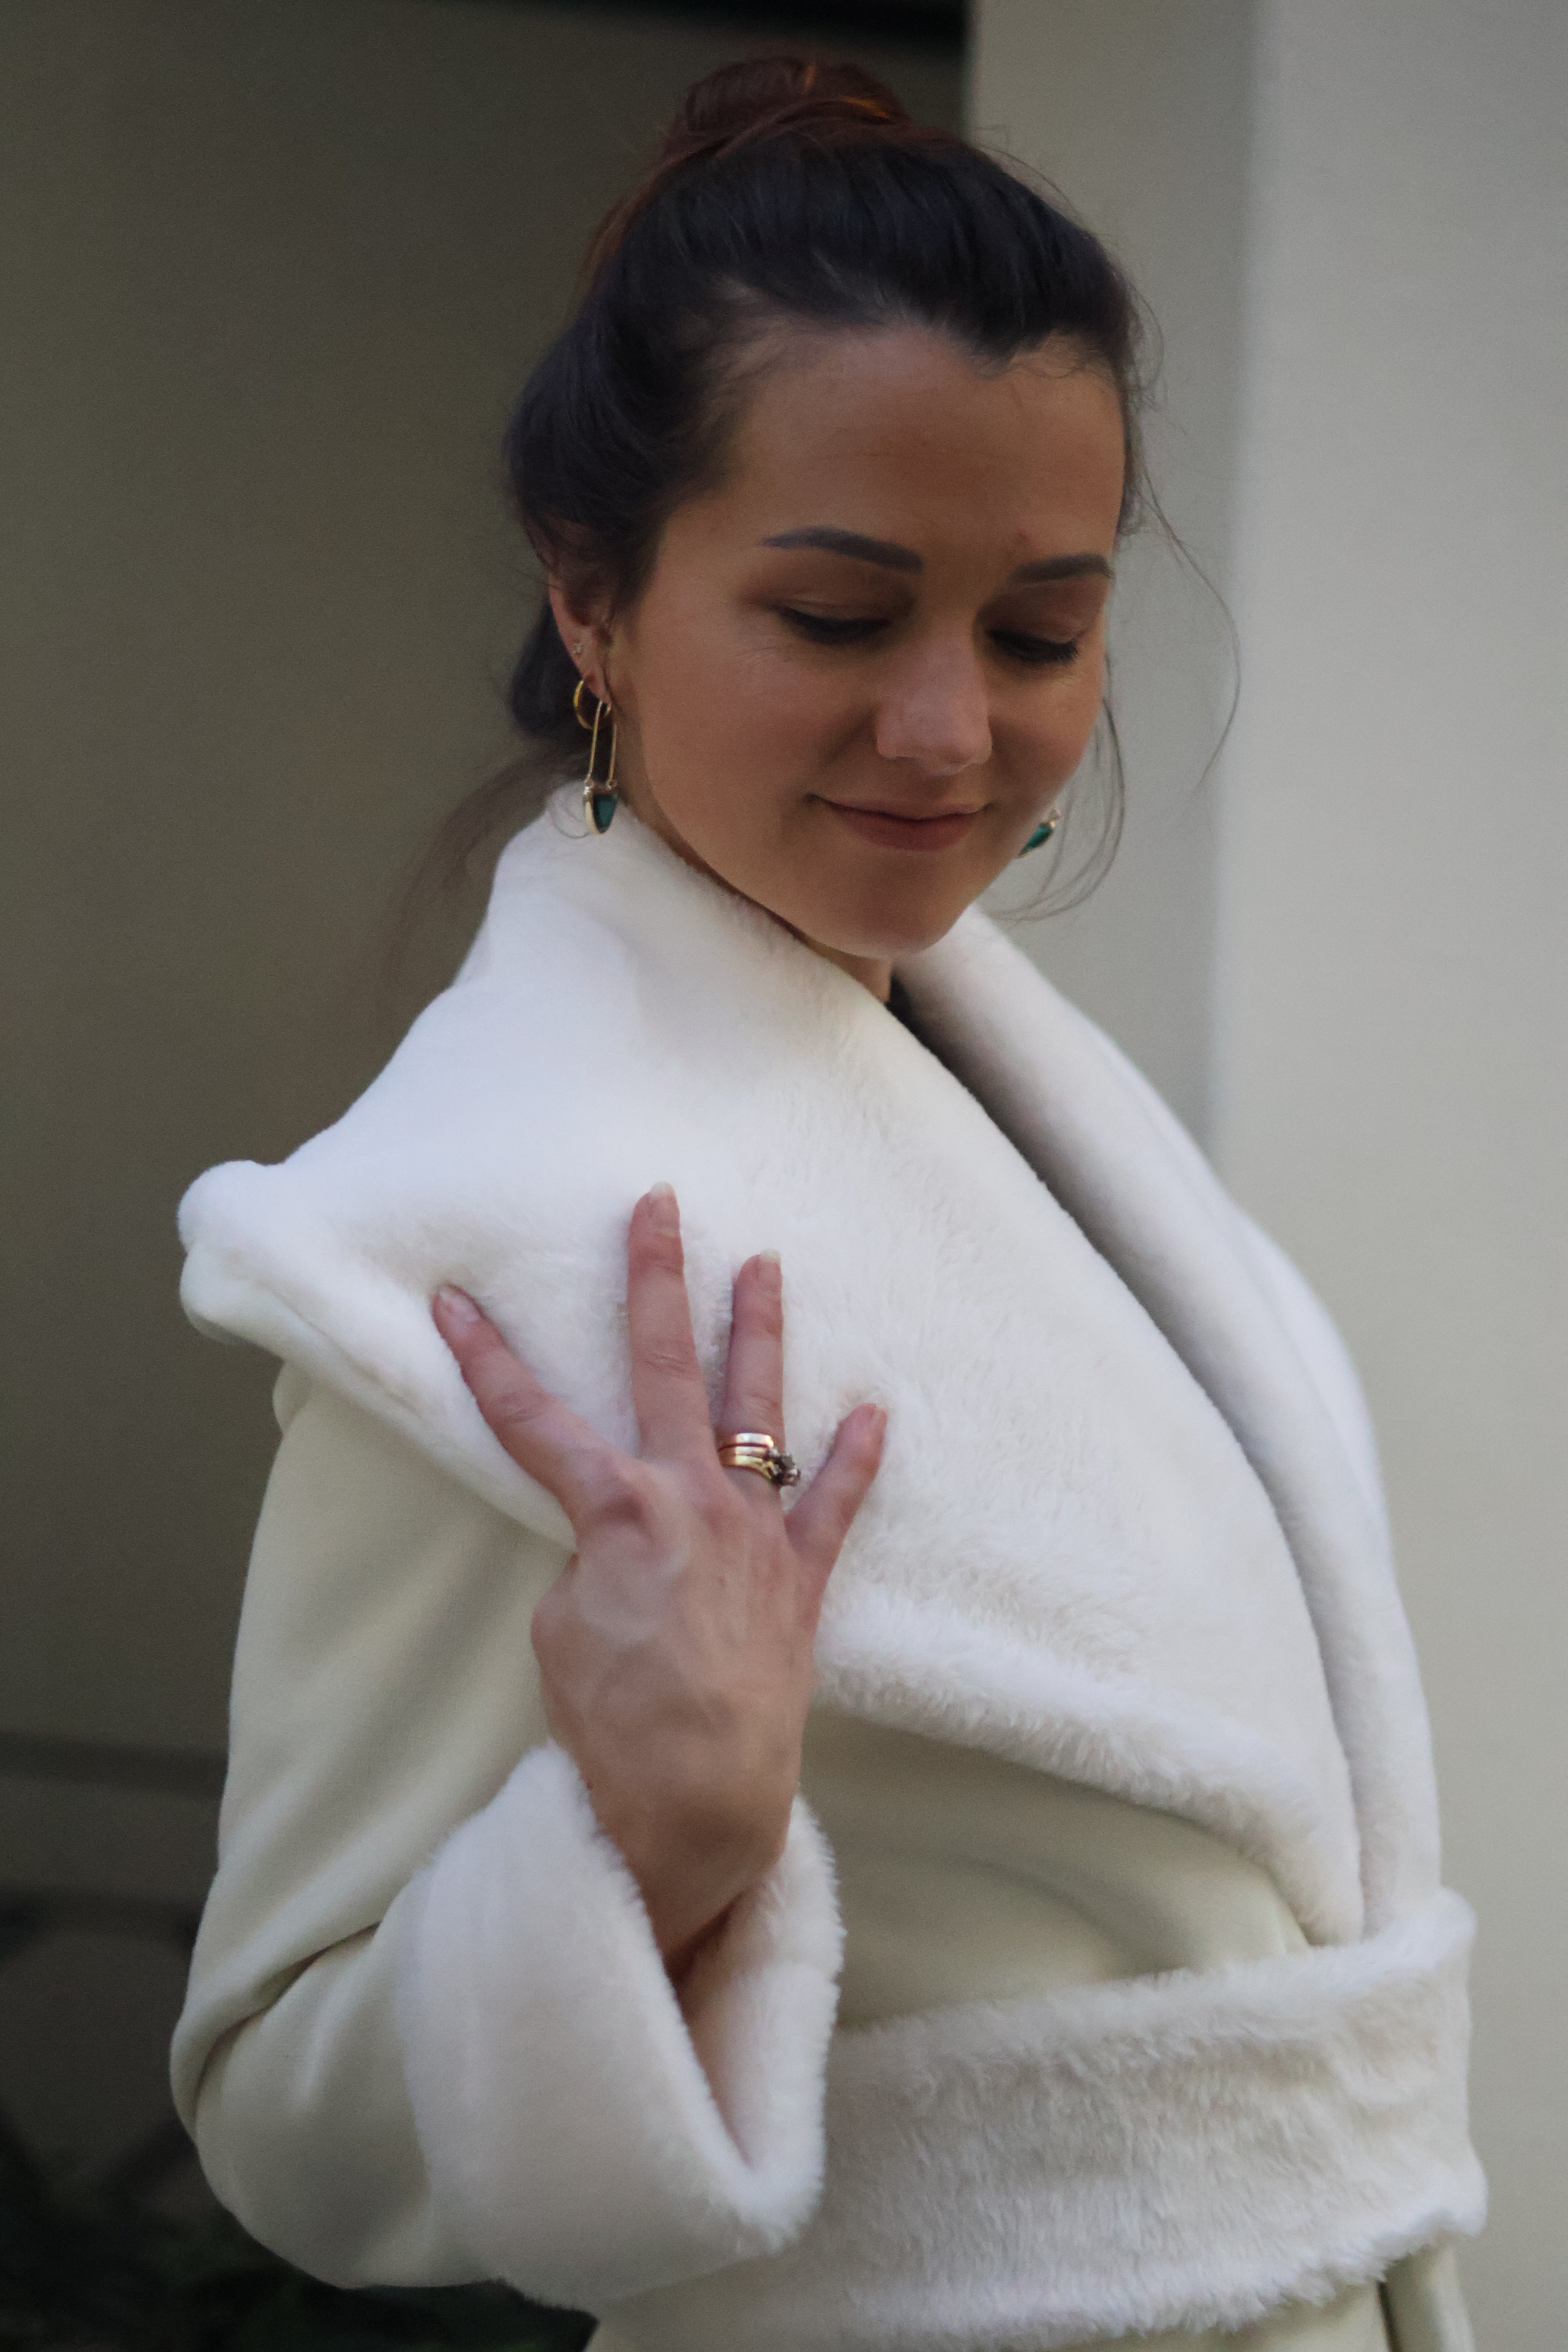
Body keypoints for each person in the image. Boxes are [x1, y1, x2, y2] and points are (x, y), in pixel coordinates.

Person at [171, 57, 1483, 2352]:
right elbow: (282, 2097)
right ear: (593, 599)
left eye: (1039, 632)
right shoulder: (478, 1230)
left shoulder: (1003, 1093)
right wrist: (643, 1843)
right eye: (841, 615)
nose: (952, 733)